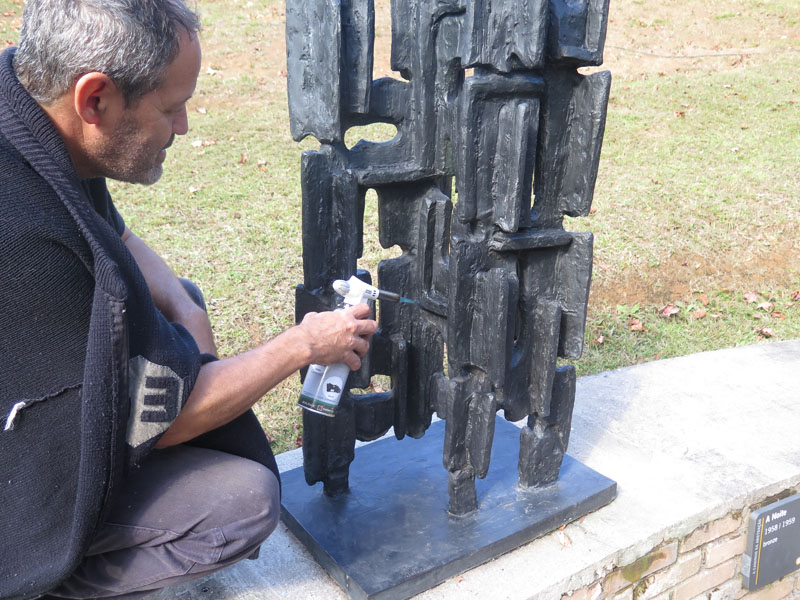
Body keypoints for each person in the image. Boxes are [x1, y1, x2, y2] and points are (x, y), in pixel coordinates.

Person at [0, 1, 378, 598]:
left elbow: (113, 232)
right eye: (171, 107)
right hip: (15, 498)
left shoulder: (31, 104)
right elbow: (143, 422)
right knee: (241, 504)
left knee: (181, 304)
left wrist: (185, 307)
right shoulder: (25, 242)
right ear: (95, 100)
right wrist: (303, 344)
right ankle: (48, 579)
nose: (183, 128)